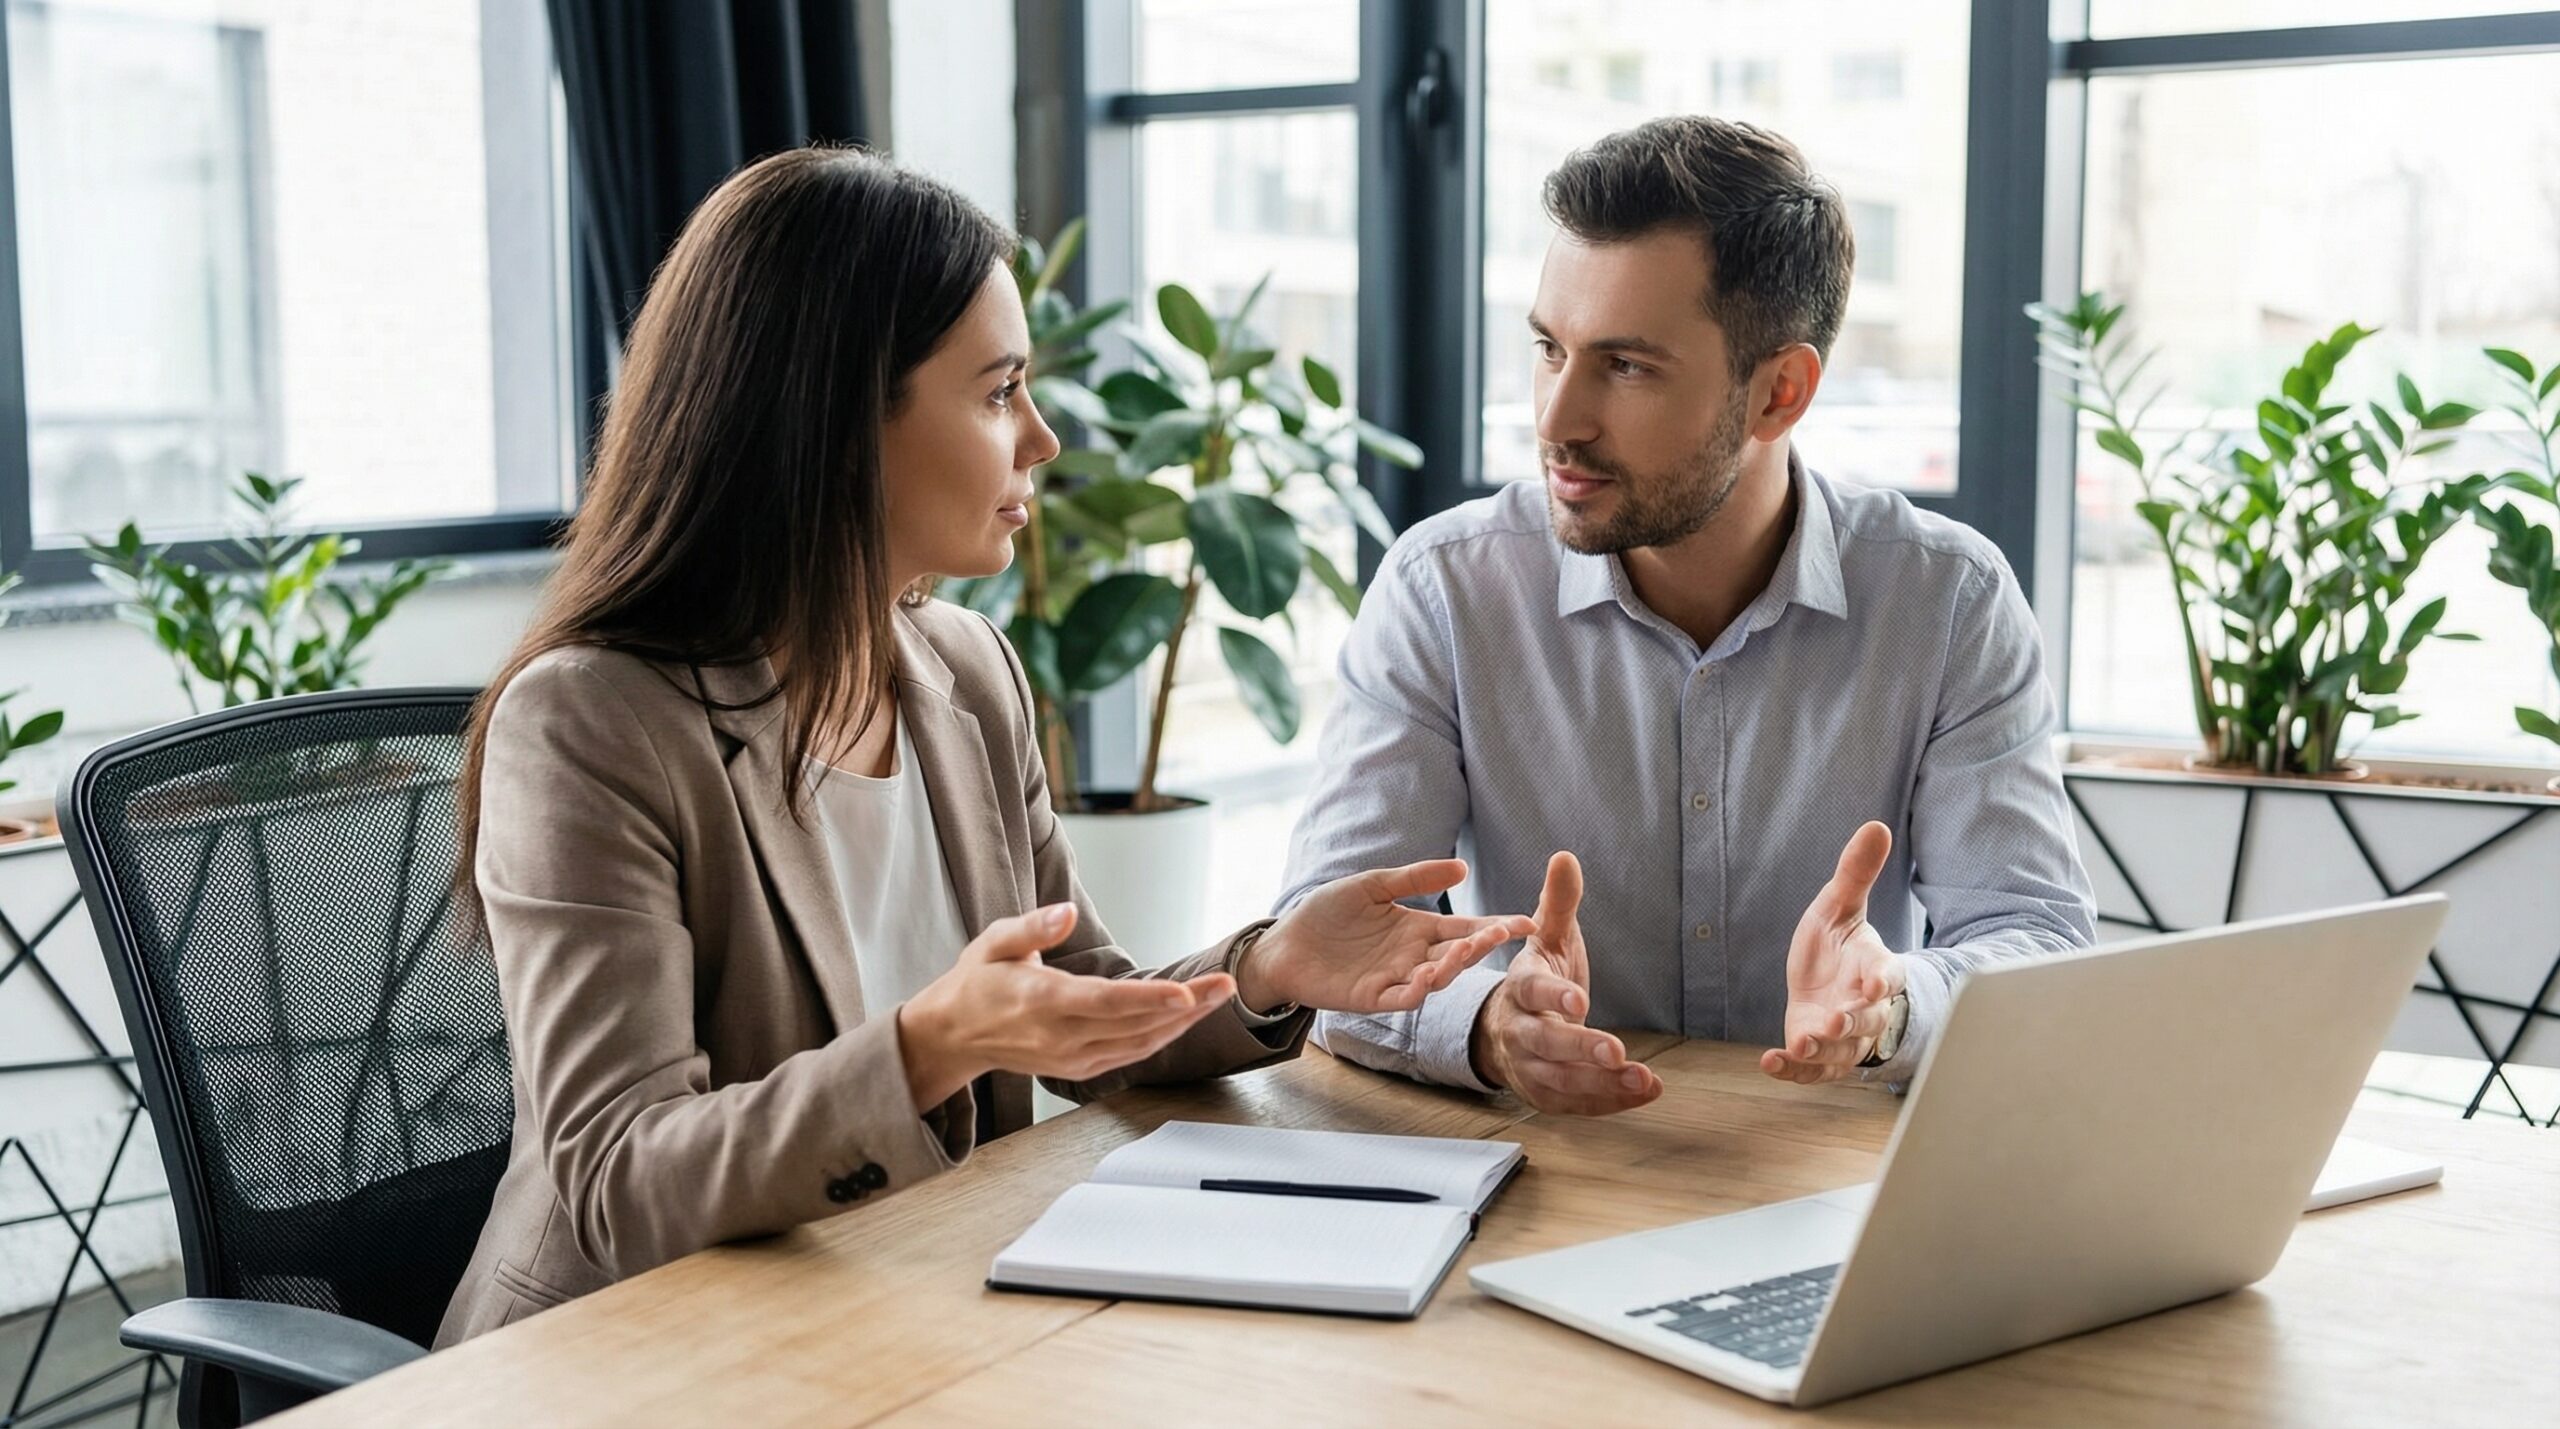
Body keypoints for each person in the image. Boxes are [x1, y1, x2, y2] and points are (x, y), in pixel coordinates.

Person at [437, 147, 1532, 1344]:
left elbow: (1086, 1013)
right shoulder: (593, 723)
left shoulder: (963, 669)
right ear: (839, 420)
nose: (1044, 440)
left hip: (898, 1310)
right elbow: (623, 1179)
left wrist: (1270, 968)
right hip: (626, 1362)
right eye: (999, 389)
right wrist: (923, 1050)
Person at [1281, 115, 2095, 1117]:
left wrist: (1890, 1007)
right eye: (1548, 348)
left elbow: (2038, 938)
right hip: (1542, 1177)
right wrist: (1487, 1025)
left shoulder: (1946, 601)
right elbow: (1322, 951)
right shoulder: (1443, 588)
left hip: (1829, 1188)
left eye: (1624, 366)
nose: (1554, 419)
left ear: (1779, 393)